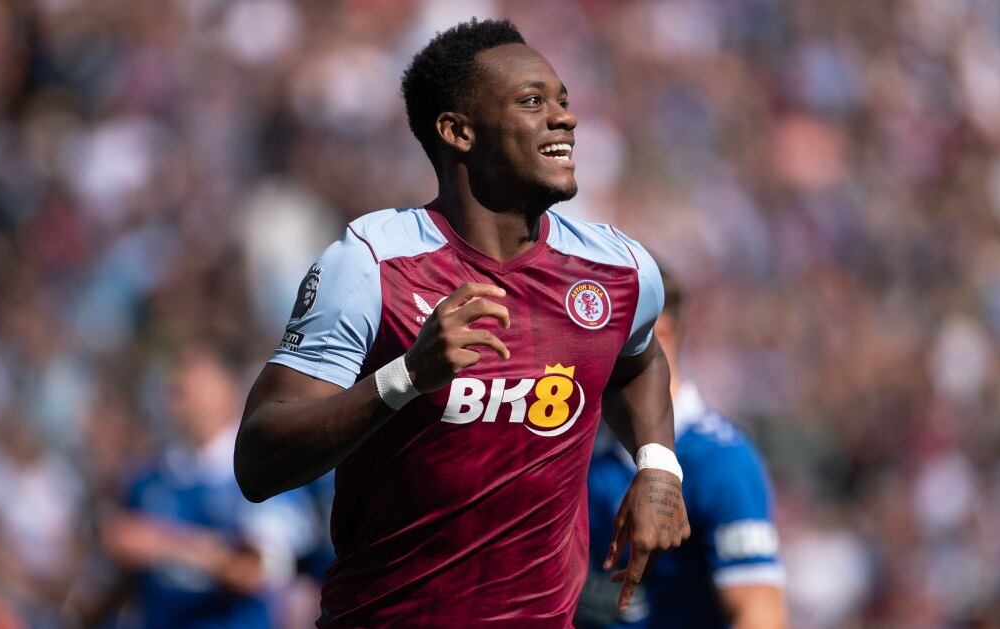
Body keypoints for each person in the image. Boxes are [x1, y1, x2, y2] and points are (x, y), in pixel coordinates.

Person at [234, 18, 690, 628]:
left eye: (562, 100)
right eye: (532, 102)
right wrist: (406, 377)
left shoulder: (619, 270)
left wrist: (658, 465)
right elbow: (258, 460)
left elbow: (640, 360)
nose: (566, 118)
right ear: (458, 131)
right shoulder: (371, 264)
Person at [579, 266, 787, 629]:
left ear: (656, 334)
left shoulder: (721, 461)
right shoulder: (584, 441)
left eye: (601, 331)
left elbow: (759, 612)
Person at [69, 347, 314, 628]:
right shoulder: (146, 481)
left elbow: (254, 572)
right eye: (176, 369)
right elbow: (119, 580)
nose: (179, 380)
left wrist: (161, 545)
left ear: (230, 388)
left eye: (194, 370)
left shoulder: (265, 475)